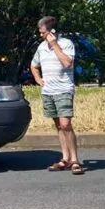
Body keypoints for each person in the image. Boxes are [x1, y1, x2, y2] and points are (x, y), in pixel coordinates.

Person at [30, 16, 84, 175]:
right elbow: (33, 65)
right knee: (58, 126)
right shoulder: (41, 47)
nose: (40, 35)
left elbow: (67, 63)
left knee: (66, 124)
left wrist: (54, 45)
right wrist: (38, 79)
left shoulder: (66, 43)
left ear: (52, 31)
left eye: (43, 32)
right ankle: (65, 158)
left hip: (64, 89)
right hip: (49, 91)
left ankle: (75, 160)